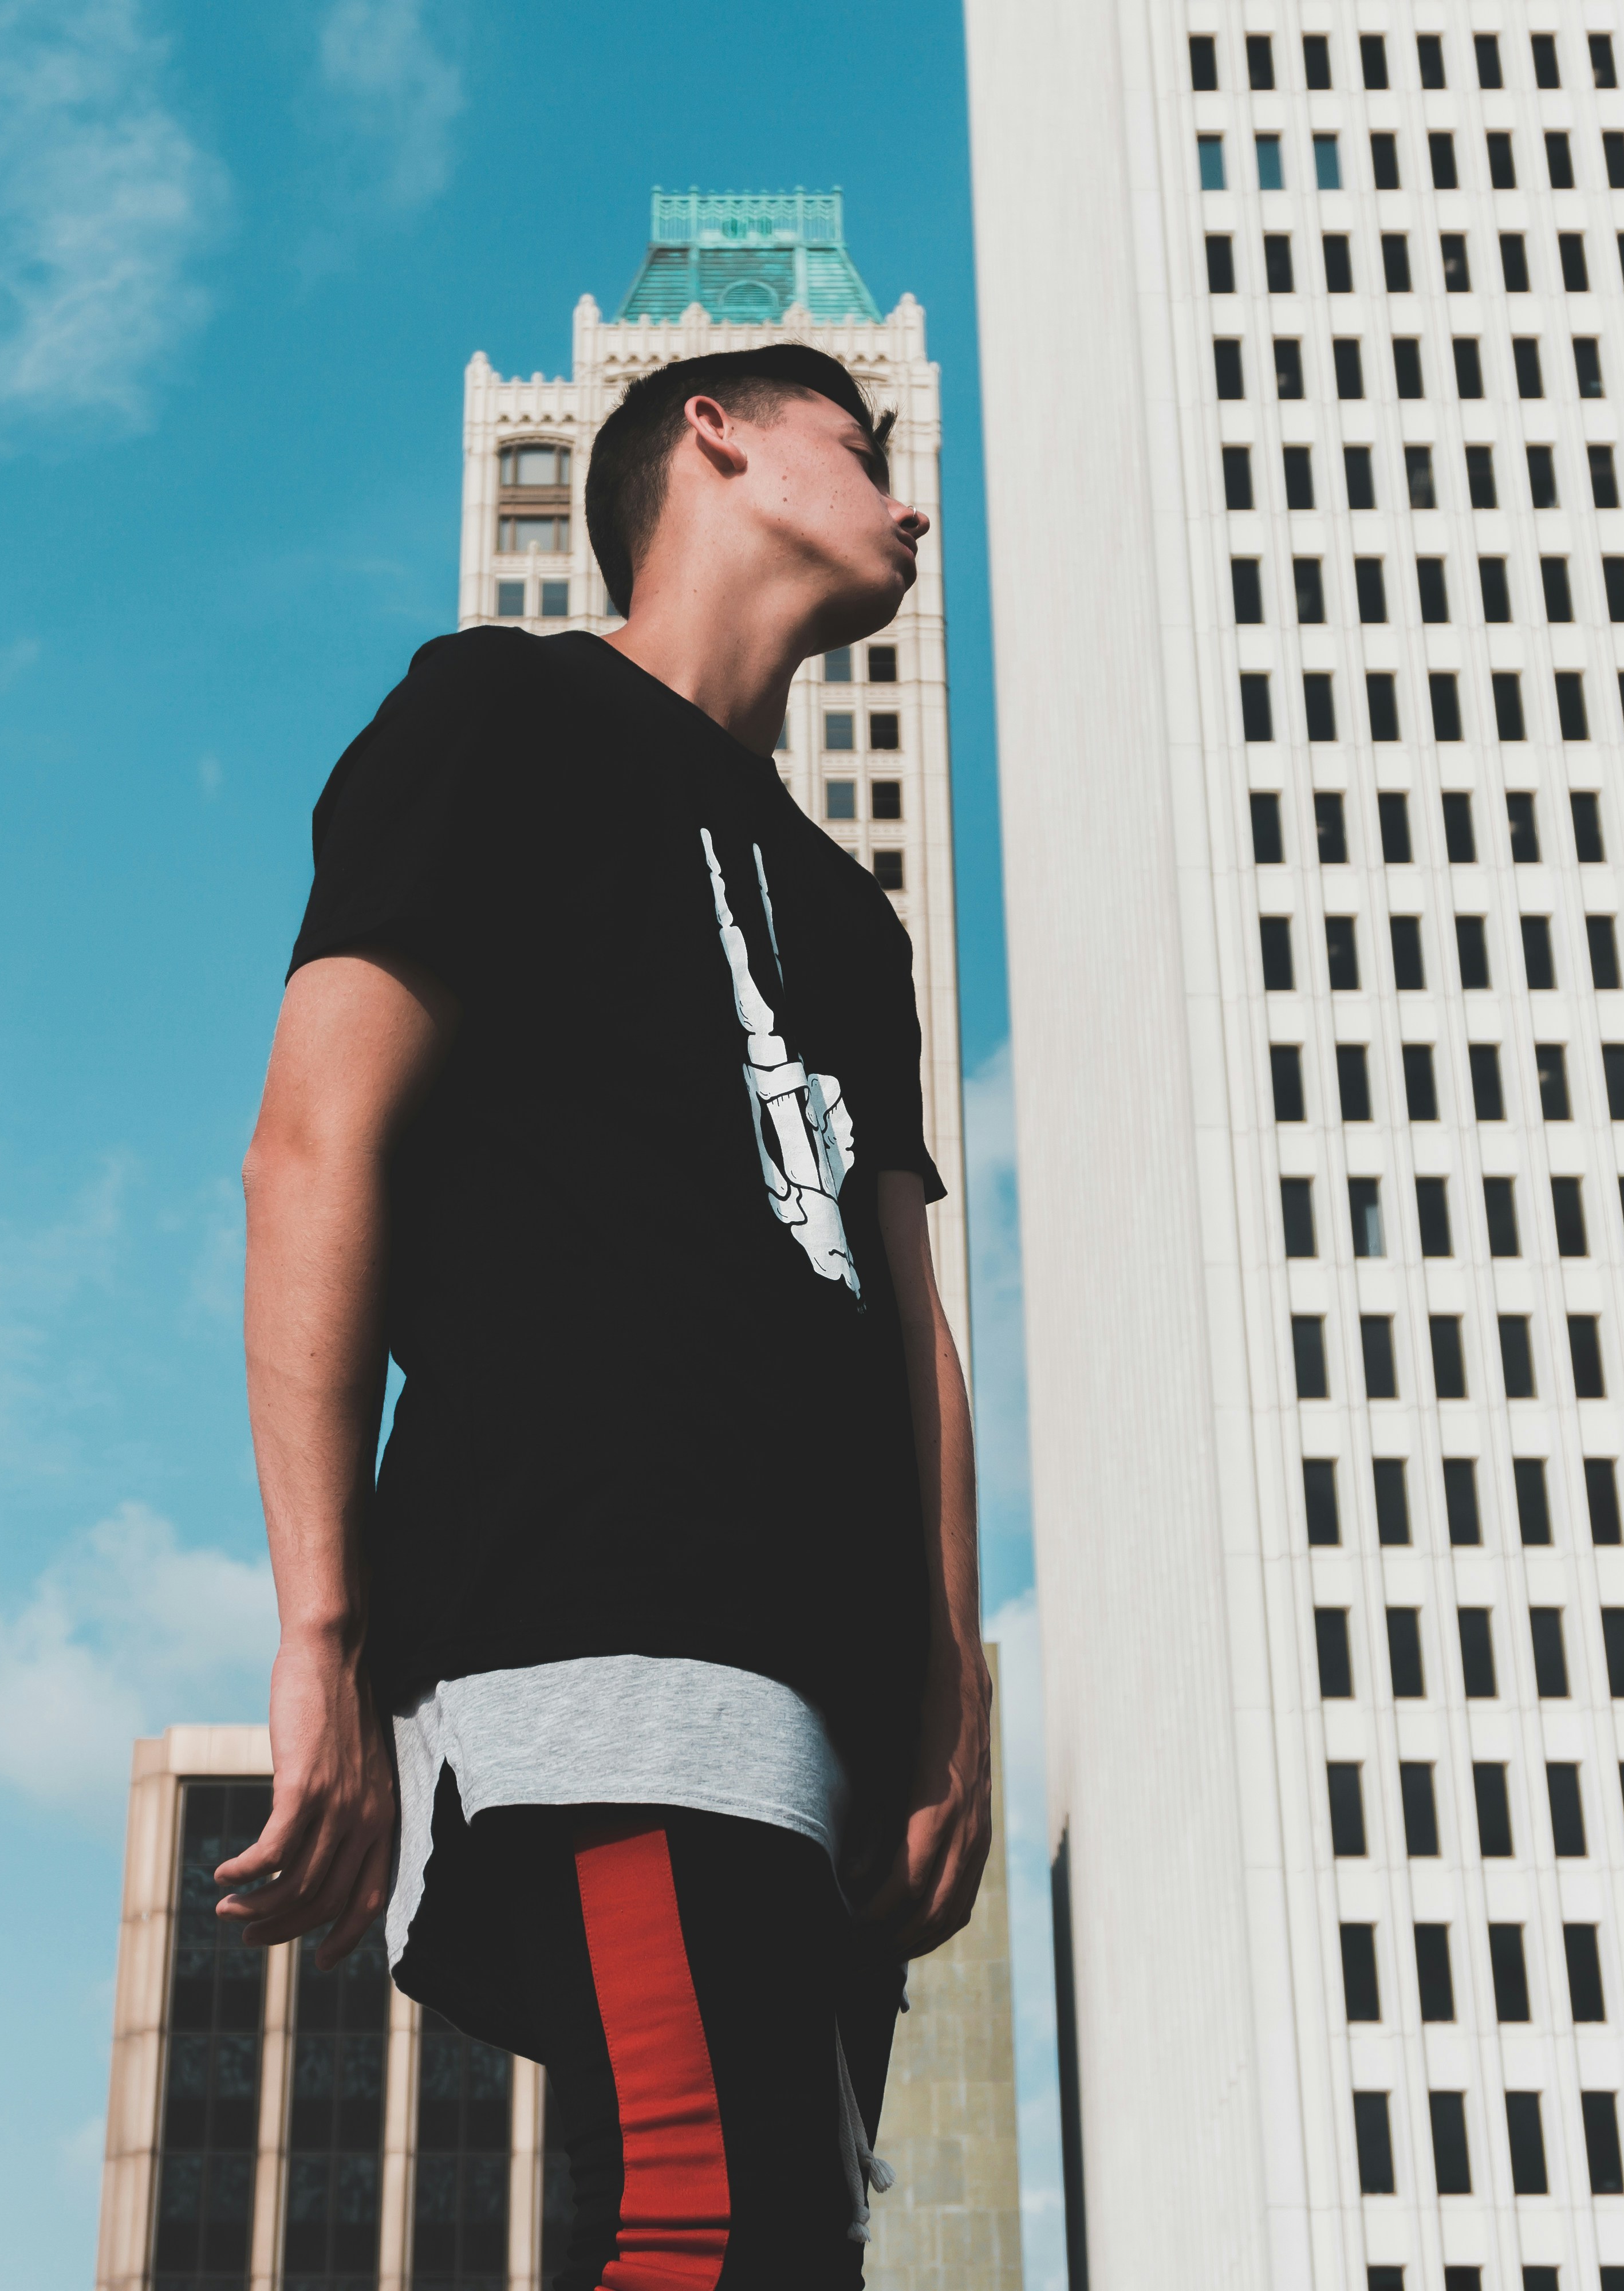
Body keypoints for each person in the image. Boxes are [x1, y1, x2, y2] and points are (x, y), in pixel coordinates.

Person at [222, 343, 990, 2288]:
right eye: (865, 451)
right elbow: (312, 1143)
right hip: (597, 1625)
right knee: (714, 2217)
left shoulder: (858, 920)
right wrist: (322, 1634)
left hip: (828, 1705)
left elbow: (912, 1328)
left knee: (792, 2245)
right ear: (714, 437)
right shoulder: (501, 708)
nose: (910, 502)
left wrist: (950, 1694)